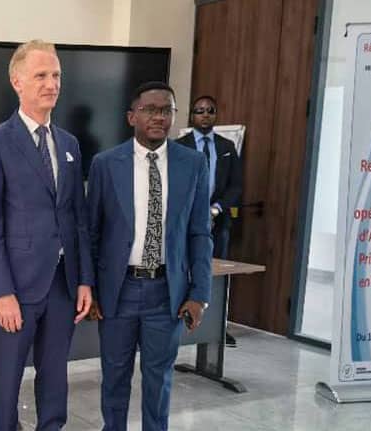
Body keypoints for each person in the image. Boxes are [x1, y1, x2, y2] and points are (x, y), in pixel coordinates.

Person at [0, 40, 93, 431]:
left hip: (63, 282)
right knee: (7, 378)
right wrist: (3, 292)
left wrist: (85, 280)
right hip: (17, 287)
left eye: (56, 75)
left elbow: (77, 219)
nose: (51, 83)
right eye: (41, 75)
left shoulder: (71, 145)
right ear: (17, 82)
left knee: (55, 374)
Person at [87, 81, 212, 431]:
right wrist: (91, 288)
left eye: (166, 110)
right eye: (149, 110)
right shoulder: (105, 165)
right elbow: (91, 234)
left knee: (159, 381)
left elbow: (200, 232)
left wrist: (199, 293)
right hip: (119, 291)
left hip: (166, 293)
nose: (158, 117)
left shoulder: (193, 164)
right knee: (114, 377)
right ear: (132, 117)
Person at [175, 95, 243, 347]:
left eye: (210, 111)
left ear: (216, 115)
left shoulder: (227, 147)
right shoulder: (179, 146)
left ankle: (216, 326)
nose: (205, 115)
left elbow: (236, 186)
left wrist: (215, 209)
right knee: (184, 267)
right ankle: (184, 316)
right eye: (199, 111)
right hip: (186, 221)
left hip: (217, 221)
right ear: (192, 115)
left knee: (216, 275)